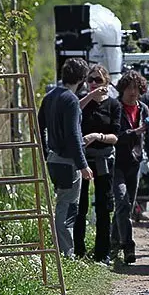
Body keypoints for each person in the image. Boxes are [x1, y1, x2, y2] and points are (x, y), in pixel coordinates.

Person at [38, 58, 94, 258]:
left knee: (63, 202)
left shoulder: (51, 96)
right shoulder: (70, 99)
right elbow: (73, 134)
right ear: (82, 78)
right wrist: (83, 165)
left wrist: (46, 153)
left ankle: (62, 250)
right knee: (68, 207)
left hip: (54, 159)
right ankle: (65, 254)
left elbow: (39, 125)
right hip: (68, 161)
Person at [73, 64, 121, 264]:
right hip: (83, 159)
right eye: (90, 79)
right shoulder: (82, 100)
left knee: (103, 206)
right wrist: (89, 97)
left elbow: (115, 136)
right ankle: (77, 250)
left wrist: (97, 136)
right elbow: (74, 111)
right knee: (80, 205)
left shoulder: (113, 105)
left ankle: (103, 252)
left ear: (107, 83)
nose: (93, 83)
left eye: (98, 80)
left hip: (103, 159)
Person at [111, 71, 149, 264]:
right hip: (116, 162)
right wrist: (135, 132)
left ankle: (113, 243)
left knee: (124, 207)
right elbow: (115, 136)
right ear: (122, 89)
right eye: (129, 88)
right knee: (123, 203)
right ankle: (128, 247)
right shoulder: (115, 107)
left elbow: (147, 137)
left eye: (136, 88)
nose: (133, 92)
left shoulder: (144, 108)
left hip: (135, 163)